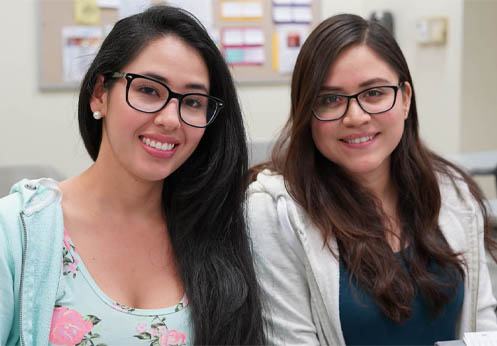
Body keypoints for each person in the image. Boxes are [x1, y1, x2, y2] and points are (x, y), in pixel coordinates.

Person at [0, 5, 265, 345]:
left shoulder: (217, 230)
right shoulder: (17, 230)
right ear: (100, 94)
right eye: (149, 90)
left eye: (193, 102)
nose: (171, 119)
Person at [247, 13, 497, 345]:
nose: (356, 117)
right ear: (307, 112)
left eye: (374, 93)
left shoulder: (453, 192)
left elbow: (484, 330)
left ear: (405, 98)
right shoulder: (274, 213)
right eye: (330, 99)